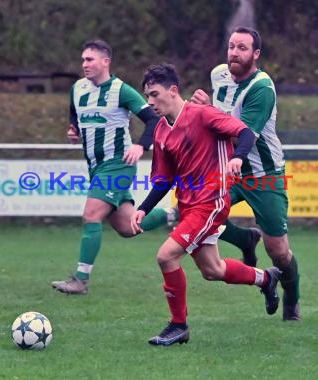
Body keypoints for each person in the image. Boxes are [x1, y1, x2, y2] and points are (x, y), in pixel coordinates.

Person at [131, 63, 281, 346]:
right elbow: (164, 180)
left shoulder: (203, 115)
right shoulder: (162, 131)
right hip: (189, 206)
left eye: (154, 94)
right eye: (147, 96)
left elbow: (246, 133)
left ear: (173, 91)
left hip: (210, 203)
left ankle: (178, 326)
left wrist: (238, 156)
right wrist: (142, 208)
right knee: (213, 270)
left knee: (166, 256)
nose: (150, 102)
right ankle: (266, 279)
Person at [191, 27, 301, 321]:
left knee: (278, 251)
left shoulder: (262, 88)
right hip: (229, 168)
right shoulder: (219, 76)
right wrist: (203, 110)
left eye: (242, 48)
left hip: (263, 174)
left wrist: (208, 113)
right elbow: (218, 120)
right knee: (195, 210)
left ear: (256, 54)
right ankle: (243, 240)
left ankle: (292, 300)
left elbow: (244, 134)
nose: (234, 53)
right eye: (231, 46)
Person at [51, 40, 174, 295]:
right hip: (96, 167)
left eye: (90, 60)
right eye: (83, 59)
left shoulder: (121, 90)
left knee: (91, 215)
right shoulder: (77, 89)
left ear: (105, 62)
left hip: (118, 165)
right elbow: (75, 116)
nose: (84, 64)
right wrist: (75, 132)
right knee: (127, 228)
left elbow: (153, 120)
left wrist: (141, 146)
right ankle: (175, 213)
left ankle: (81, 280)